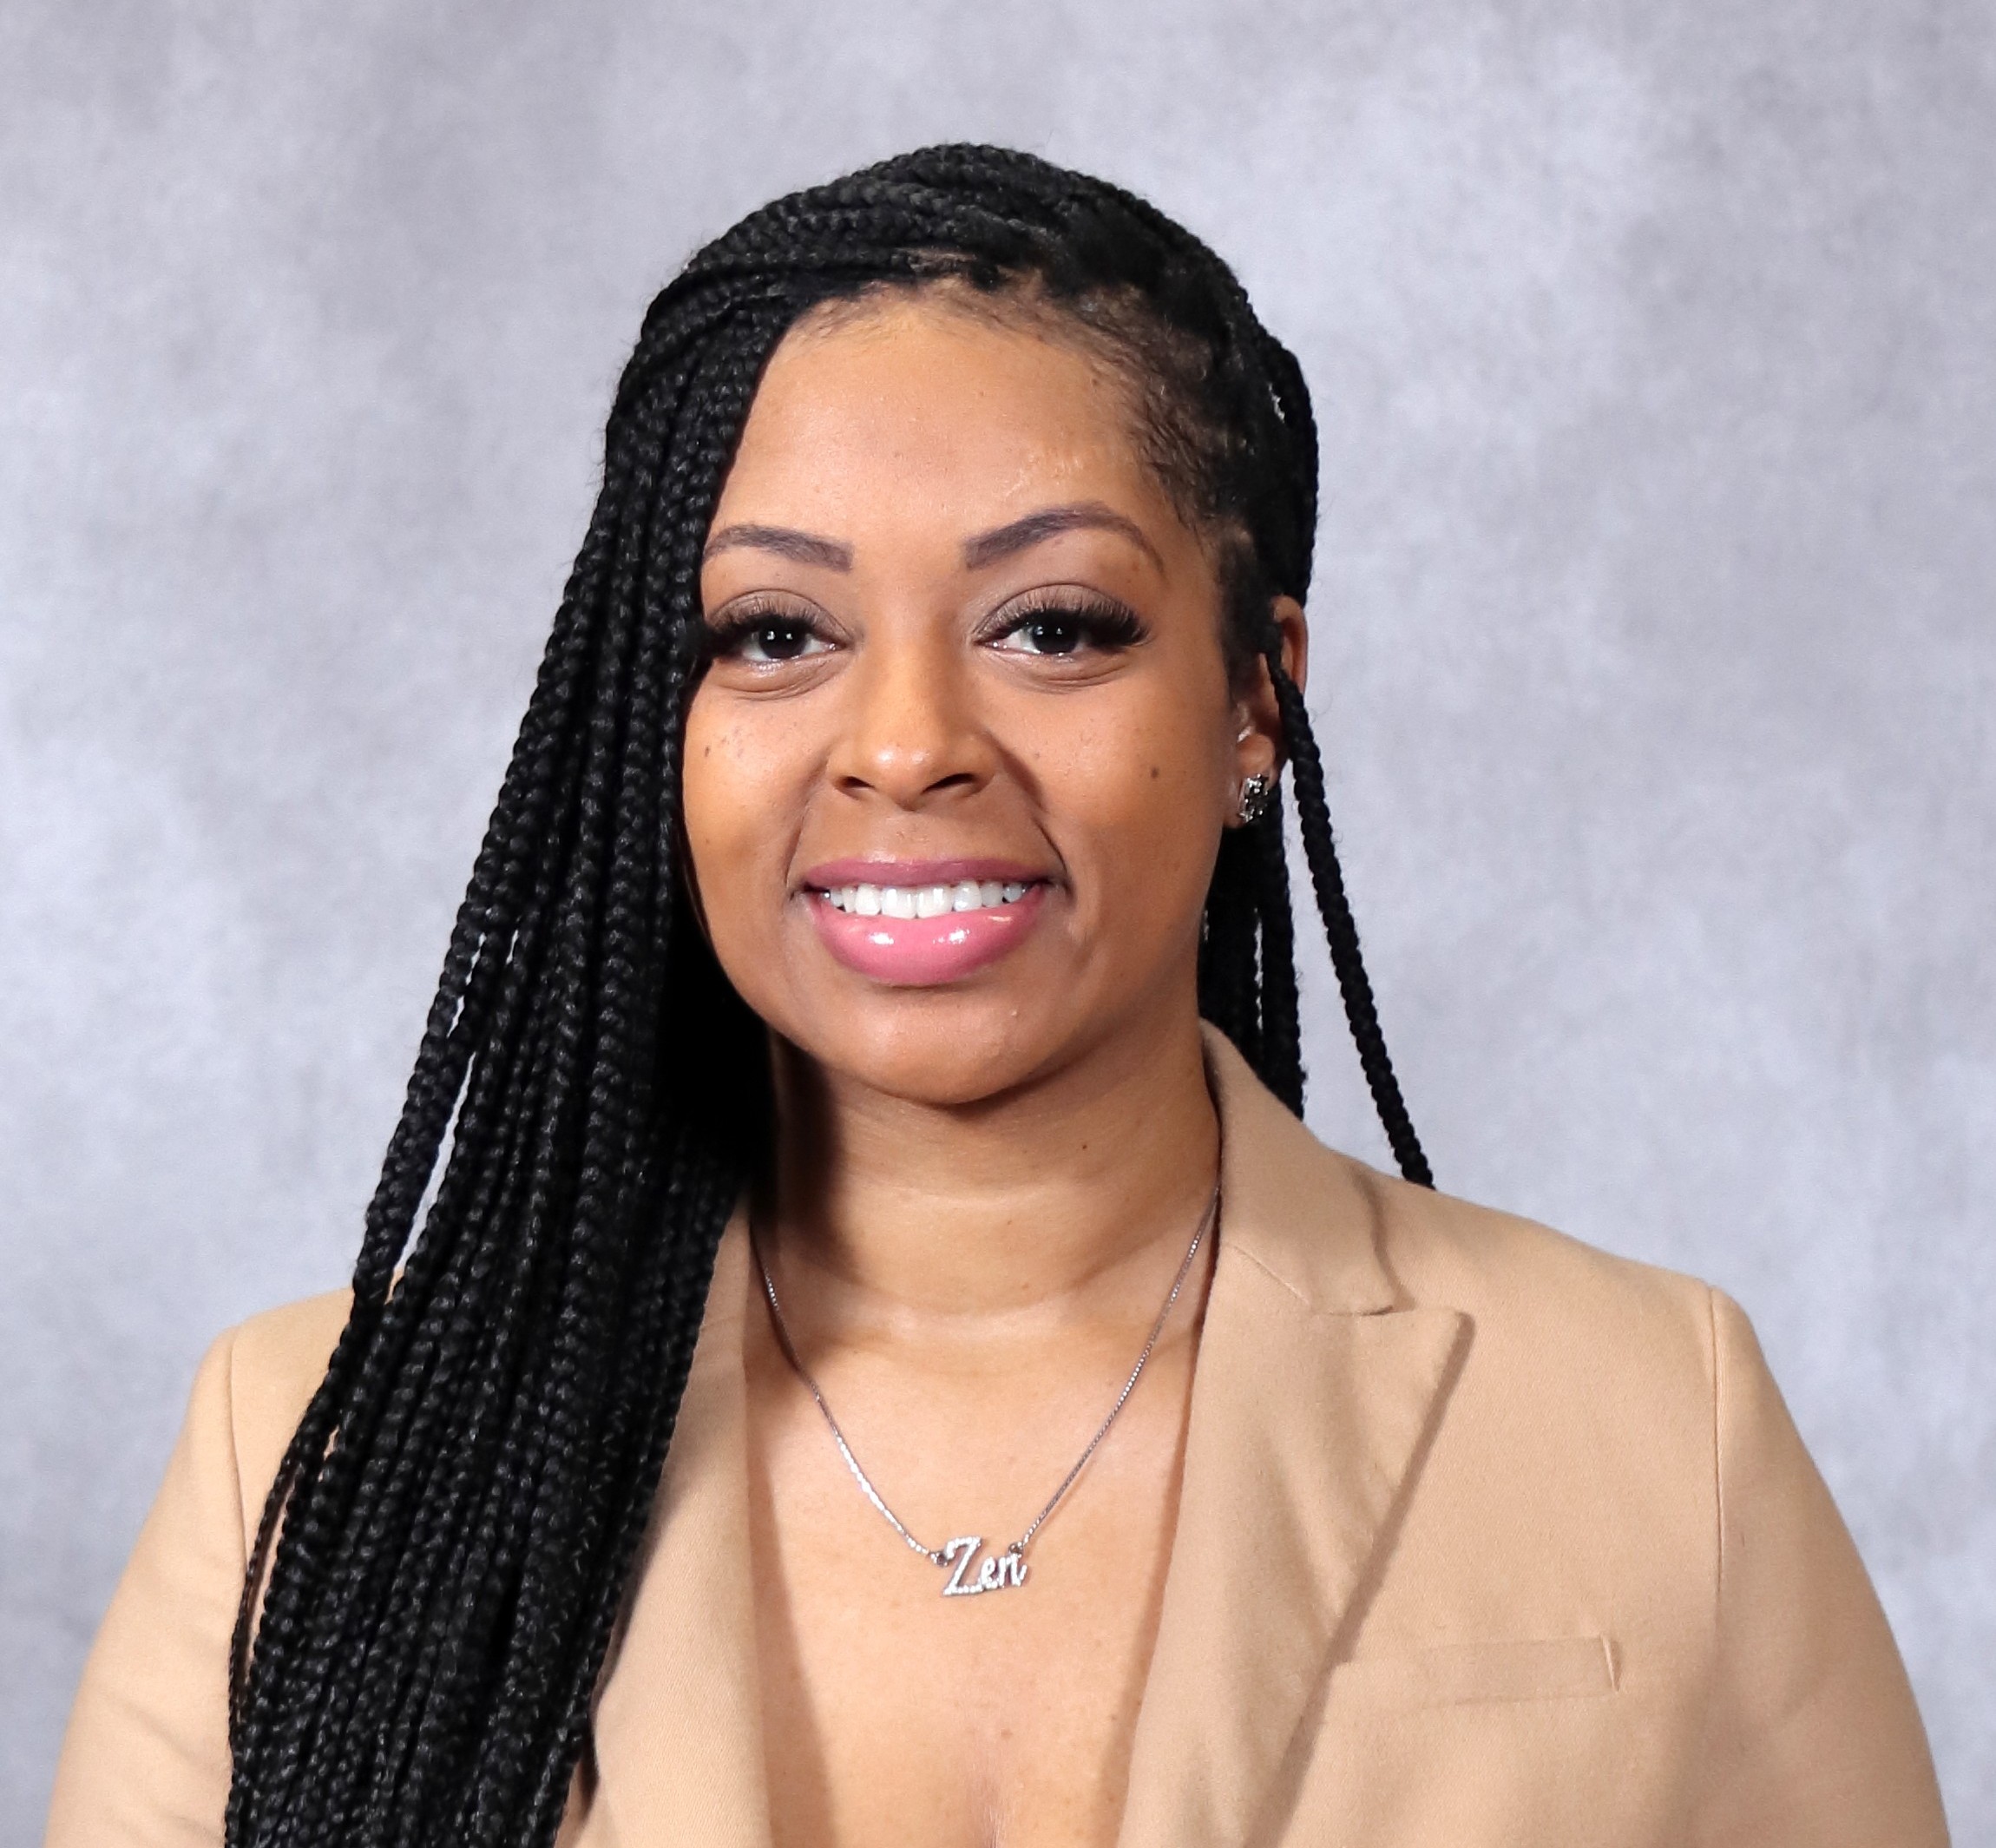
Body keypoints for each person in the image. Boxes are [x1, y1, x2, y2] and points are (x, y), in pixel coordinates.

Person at [45, 145, 1947, 1848]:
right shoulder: (311, 1455)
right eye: (773, 633)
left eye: (1052, 626)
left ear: (1257, 698)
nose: (904, 746)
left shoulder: (1648, 1418)